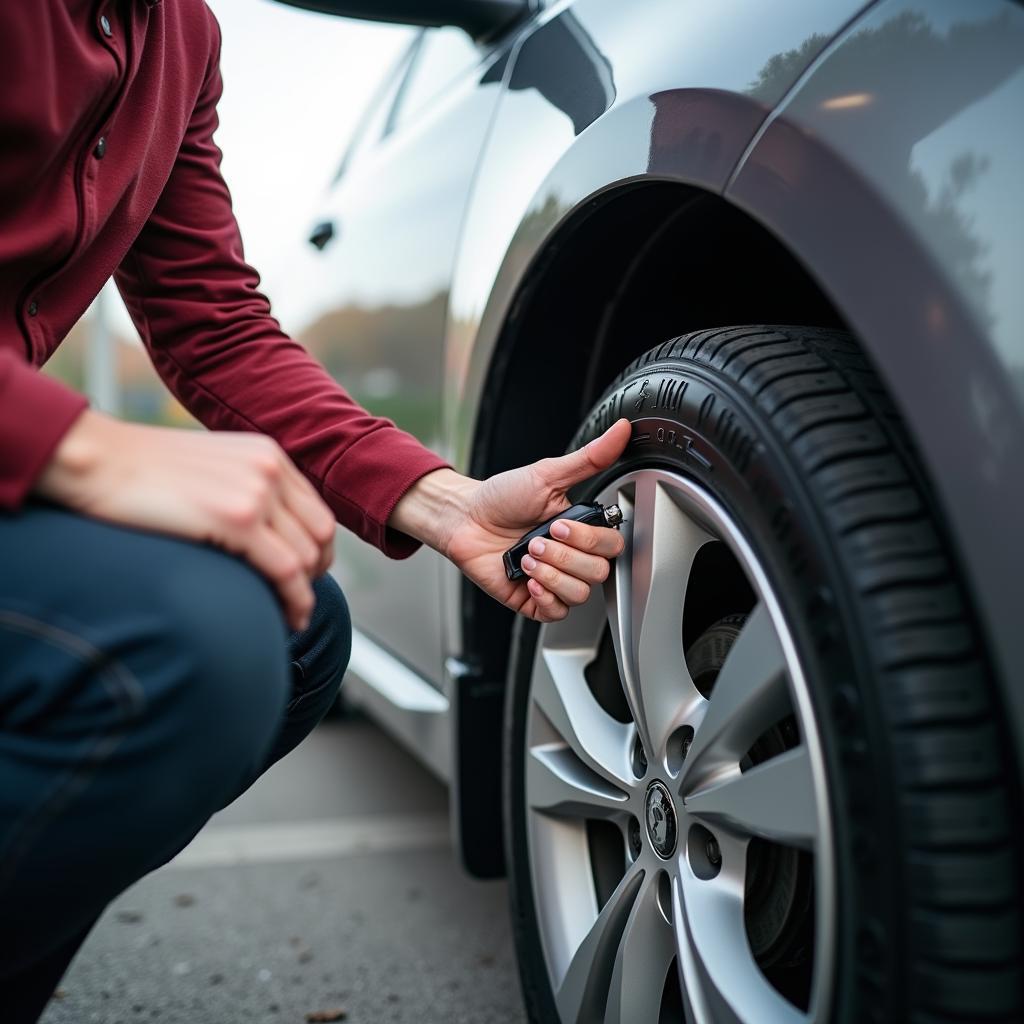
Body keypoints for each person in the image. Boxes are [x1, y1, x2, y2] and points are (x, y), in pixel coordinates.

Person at [0, 2, 631, 1019]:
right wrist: (82, 448)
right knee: (182, 642)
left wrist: (445, 501)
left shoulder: (179, 39)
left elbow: (214, 327)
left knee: (296, 629)